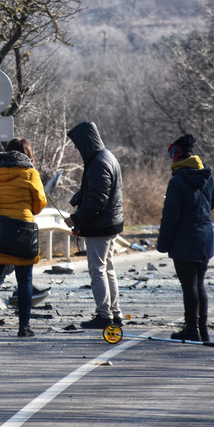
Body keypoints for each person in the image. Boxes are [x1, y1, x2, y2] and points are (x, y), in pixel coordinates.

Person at [0, 138, 47, 337]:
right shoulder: (31, 174)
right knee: (25, 280)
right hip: (23, 232)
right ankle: (24, 327)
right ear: (27, 155)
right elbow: (39, 204)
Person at [156, 134, 214, 342]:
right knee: (199, 284)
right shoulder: (207, 176)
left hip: (185, 241)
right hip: (204, 239)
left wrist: (162, 244)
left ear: (178, 155)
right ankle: (202, 330)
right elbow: (213, 203)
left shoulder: (178, 181)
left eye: (173, 153)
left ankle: (192, 329)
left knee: (189, 285)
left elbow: (170, 216)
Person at [63, 122, 125, 329]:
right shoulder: (106, 156)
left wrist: (77, 218)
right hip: (111, 223)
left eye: (77, 144)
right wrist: (79, 197)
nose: (76, 149)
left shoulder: (98, 162)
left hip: (101, 226)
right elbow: (99, 190)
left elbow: (99, 199)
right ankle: (115, 313)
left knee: (97, 269)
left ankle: (104, 315)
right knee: (108, 268)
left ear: (86, 142)